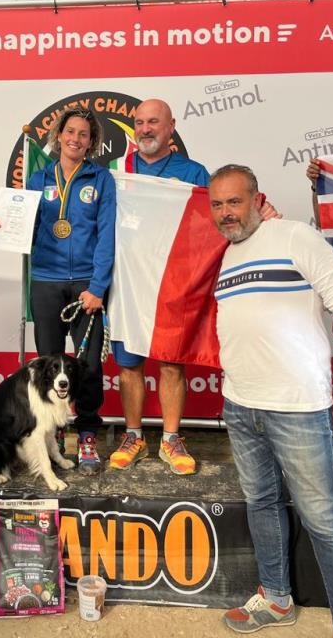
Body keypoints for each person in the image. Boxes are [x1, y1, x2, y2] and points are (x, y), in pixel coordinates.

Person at [208, 164, 333, 638]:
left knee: (324, 520)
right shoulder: (227, 256)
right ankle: (276, 599)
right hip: (240, 406)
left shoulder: (295, 237)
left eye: (234, 201)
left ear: (257, 199)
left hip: (299, 408)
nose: (226, 213)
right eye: (217, 205)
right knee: (262, 503)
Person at [0, 109, 116, 474]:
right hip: (45, 280)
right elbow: (25, 228)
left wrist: (98, 287)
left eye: (84, 134)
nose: (76, 138)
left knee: (89, 365)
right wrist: (2, 227)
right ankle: (53, 436)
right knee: (48, 364)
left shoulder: (101, 179)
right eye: (70, 131)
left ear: (92, 142)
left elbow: (107, 235)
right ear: (59, 135)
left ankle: (87, 436)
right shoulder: (38, 179)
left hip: (86, 285)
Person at [109, 98, 209, 474]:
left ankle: (170, 439)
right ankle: (133, 436)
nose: (145, 129)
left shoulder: (194, 172)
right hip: (126, 283)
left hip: (173, 283)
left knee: (171, 364)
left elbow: (212, 226)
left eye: (153, 122)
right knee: (129, 366)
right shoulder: (115, 171)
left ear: (171, 127)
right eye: (139, 122)